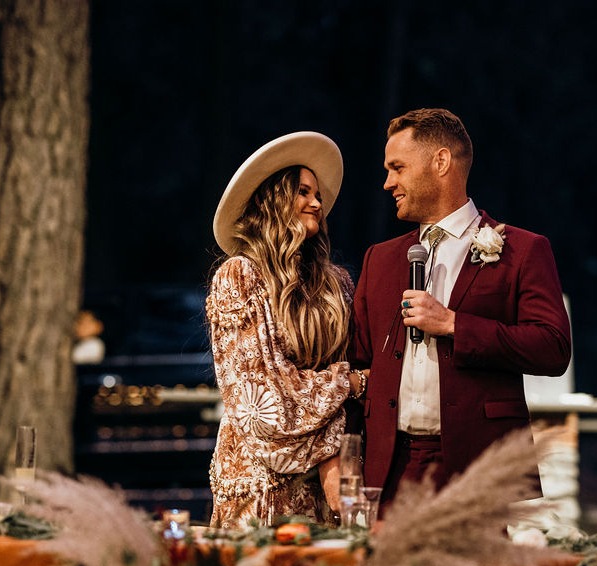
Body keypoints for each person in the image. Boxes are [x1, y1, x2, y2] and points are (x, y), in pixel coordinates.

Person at [350, 108, 571, 511]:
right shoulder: (378, 259)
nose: (388, 183)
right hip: (391, 466)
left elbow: (553, 348)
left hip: (476, 463)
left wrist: (454, 324)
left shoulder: (523, 250)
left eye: (398, 168)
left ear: (440, 162)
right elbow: (360, 362)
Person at [207, 132, 368, 529]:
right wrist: (349, 384)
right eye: (302, 192)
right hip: (261, 481)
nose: (317, 203)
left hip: (327, 485)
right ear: (273, 200)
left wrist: (335, 460)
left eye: (318, 195)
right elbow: (263, 402)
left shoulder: (337, 284)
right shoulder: (239, 276)